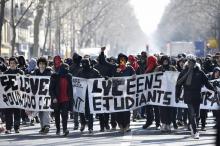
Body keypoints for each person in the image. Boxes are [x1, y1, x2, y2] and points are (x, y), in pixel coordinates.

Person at [176, 54, 216, 139]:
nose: (191, 64)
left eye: (193, 62)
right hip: (188, 95)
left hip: (197, 95)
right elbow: (178, 84)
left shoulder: (200, 72)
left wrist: (213, 89)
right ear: (188, 63)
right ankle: (195, 131)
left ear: (195, 63)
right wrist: (177, 95)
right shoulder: (183, 72)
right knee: (192, 114)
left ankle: (192, 126)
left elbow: (207, 82)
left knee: (197, 115)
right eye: (190, 62)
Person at [49, 56, 73, 136]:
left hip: (66, 99)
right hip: (57, 99)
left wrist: (71, 100)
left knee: (65, 115)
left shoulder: (69, 77)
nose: (66, 70)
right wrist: (54, 97)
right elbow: (51, 89)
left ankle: (65, 129)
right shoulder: (54, 77)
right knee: (57, 115)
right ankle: (58, 129)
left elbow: (71, 89)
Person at [77, 58, 102, 134]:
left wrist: (104, 78)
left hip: (91, 94)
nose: (84, 65)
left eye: (86, 63)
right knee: (81, 110)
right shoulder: (80, 72)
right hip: (82, 94)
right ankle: (83, 123)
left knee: (90, 110)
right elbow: (76, 81)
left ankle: (90, 127)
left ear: (89, 63)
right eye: (83, 63)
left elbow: (100, 79)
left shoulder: (94, 71)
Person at [155, 55, 177, 132]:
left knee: (170, 109)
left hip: (170, 92)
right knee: (162, 109)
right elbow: (154, 78)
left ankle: (168, 124)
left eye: (166, 60)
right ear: (161, 61)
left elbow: (176, 78)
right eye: (164, 60)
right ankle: (163, 124)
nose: (165, 61)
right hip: (161, 92)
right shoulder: (158, 68)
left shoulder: (172, 68)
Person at [115, 53, 135, 133]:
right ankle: (120, 125)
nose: (122, 61)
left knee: (126, 110)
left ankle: (127, 126)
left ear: (126, 61)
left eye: (124, 60)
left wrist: (134, 76)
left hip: (127, 92)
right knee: (119, 110)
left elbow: (134, 75)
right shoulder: (116, 68)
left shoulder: (129, 68)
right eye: (121, 60)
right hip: (118, 93)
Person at [32, 57, 52, 134]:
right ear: (38, 64)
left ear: (45, 64)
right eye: (40, 63)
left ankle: (47, 125)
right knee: (40, 111)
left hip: (46, 94)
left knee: (46, 109)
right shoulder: (35, 72)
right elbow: (31, 79)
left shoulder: (49, 72)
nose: (42, 65)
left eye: (43, 64)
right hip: (38, 94)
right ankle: (42, 127)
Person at [4, 57, 24, 134]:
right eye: (11, 63)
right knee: (8, 112)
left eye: (14, 63)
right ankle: (8, 128)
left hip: (18, 95)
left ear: (16, 64)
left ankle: (16, 128)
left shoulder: (20, 72)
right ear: (9, 64)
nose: (12, 65)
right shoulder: (6, 73)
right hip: (8, 96)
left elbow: (25, 82)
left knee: (17, 112)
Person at [69, 53, 82, 130]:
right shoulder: (74, 67)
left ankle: (78, 123)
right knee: (77, 106)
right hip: (76, 88)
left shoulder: (78, 66)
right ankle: (77, 123)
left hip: (78, 88)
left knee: (77, 106)